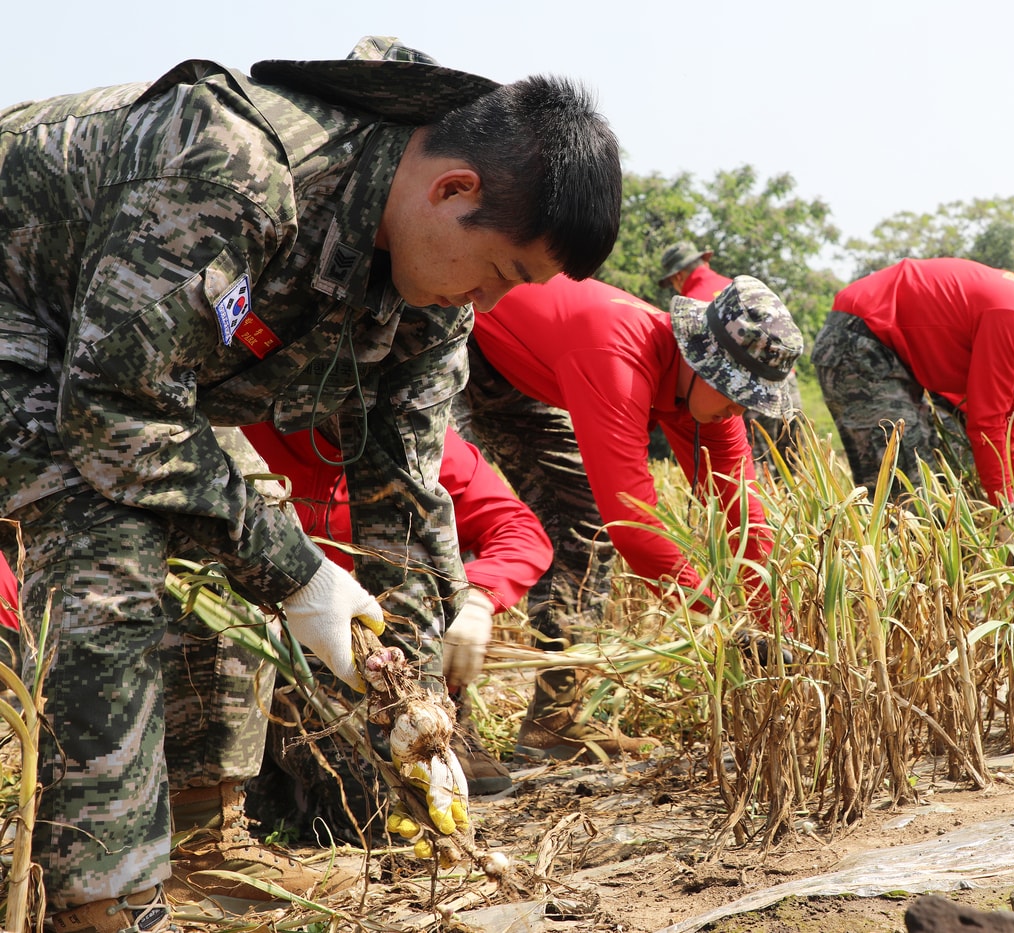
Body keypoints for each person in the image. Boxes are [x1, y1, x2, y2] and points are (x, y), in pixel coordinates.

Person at [0, 33, 620, 929]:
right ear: (453, 191)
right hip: (36, 325)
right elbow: (114, 414)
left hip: (111, 369)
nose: (485, 310)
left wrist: (417, 708)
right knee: (110, 536)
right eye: (497, 276)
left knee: (238, 516)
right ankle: (102, 900)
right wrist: (298, 575)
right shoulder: (236, 164)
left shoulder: (425, 296)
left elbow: (402, 497)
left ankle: (202, 841)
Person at [454, 274, 802, 760]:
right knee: (436, 513)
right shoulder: (617, 356)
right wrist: (724, 623)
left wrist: (779, 632)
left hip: (532, 372)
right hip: (458, 327)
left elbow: (745, 516)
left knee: (581, 519)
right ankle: (441, 732)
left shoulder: (708, 404)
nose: (740, 408)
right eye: (737, 391)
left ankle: (557, 724)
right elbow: (633, 525)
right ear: (701, 361)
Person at [239, 421, 553, 800]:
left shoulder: (413, 431)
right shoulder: (239, 431)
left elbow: (516, 530)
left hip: (386, 648)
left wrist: (477, 597)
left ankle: (437, 717)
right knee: (351, 796)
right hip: (275, 651)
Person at [811, 258, 1014, 506]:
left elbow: (1011, 430)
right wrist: (1010, 513)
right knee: (907, 490)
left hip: (890, 350)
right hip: (862, 340)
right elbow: (987, 424)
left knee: (935, 479)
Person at [657, 240, 805, 467]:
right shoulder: (737, 291)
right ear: (704, 261)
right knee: (793, 463)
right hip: (784, 384)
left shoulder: (699, 303)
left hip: (745, 389)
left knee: (757, 464)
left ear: (677, 277)